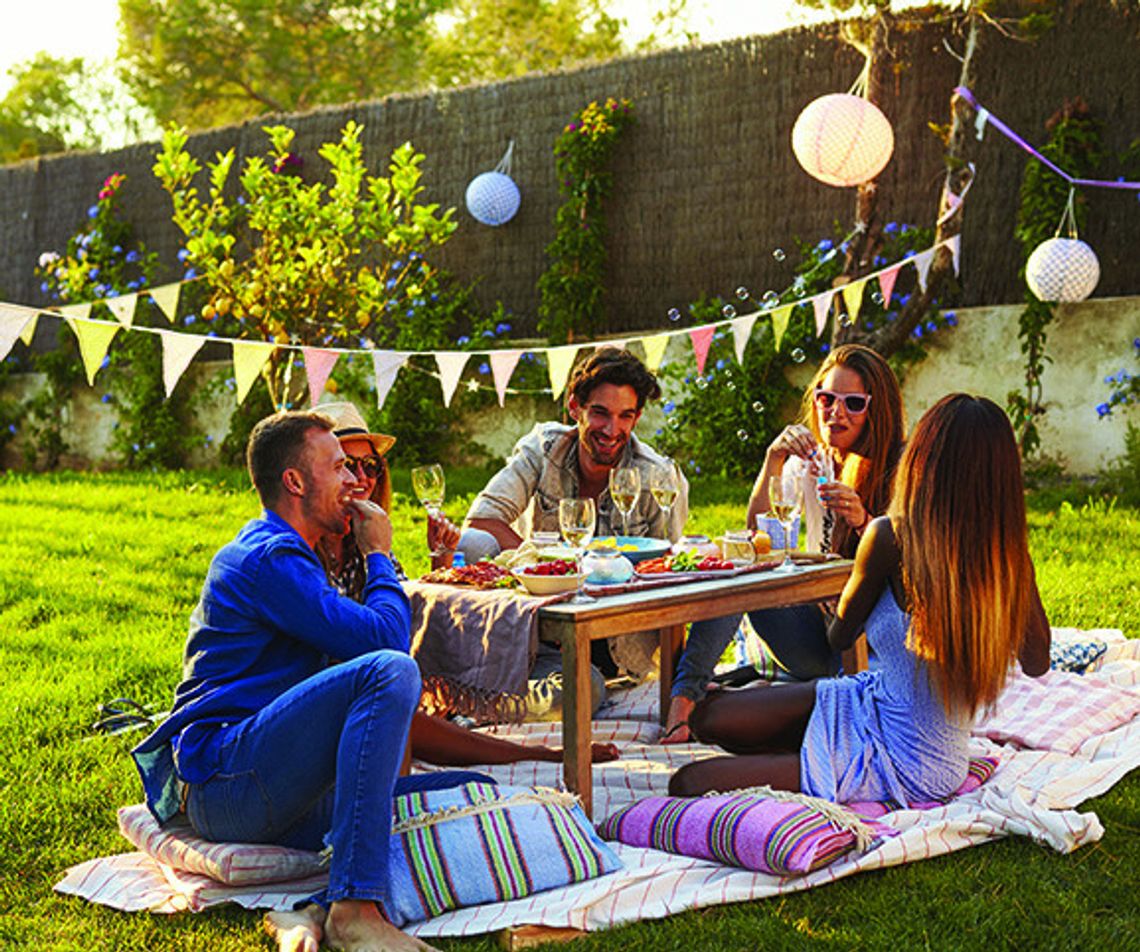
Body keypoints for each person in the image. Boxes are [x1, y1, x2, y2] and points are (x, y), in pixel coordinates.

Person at [131, 410, 475, 952]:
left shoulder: (300, 556)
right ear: (295, 481)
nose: (354, 482)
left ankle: (302, 907)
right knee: (389, 672)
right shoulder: (268, 557)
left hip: (277, 780)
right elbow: (384, 643)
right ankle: (354, 913)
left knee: (466, 793)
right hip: (228, 783)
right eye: (339, 466)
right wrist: (379, 552)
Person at [668, 394, 1052, 802]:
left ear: (921, 462)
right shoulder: (1007, 557)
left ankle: (811, 761)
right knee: (709, 717)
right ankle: (806, 756)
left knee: (687, 783)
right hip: (872, 700)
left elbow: (838, 636)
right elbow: (1037, 662)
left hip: (910, 759)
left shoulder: (892, 537)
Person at [316, 400, 618, 767]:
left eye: (371, 466)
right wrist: (542, 755)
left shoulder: (366, 540)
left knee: (582, 680)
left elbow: (410, 619)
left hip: (408, 685)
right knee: (576, 689)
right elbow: (384, 650)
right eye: (346, 465)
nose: (361, 478)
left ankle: (472, 713)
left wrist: (439, 563)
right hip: (363, 704)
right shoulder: (303, 559)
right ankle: (484, 724)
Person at [663, 344, 906, 743]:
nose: (835, 412)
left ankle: (778, 701)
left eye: (853, 403)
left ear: (876, 411)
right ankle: (684, 700)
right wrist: (772, 460)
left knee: (753, 718)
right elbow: (757, 536)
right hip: (817, 642)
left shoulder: (902, 469)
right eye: (826, 399)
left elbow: (911, 575)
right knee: (740, 563)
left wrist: (864, 523)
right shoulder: (810, 463)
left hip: (876, 652)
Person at [460, 347, 690, 716]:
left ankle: (481, 698)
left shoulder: (657, 476)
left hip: (614, 647)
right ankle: (484, 683)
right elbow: (481, 521)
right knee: (470, 546)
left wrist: (679, 683)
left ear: (637, 417)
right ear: (574, 407)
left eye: (625, 416)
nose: (612, 430)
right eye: (599, 413)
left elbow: (674, 578)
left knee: (585, 690)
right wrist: (549, 571)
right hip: (542, 630)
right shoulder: (544, 449)